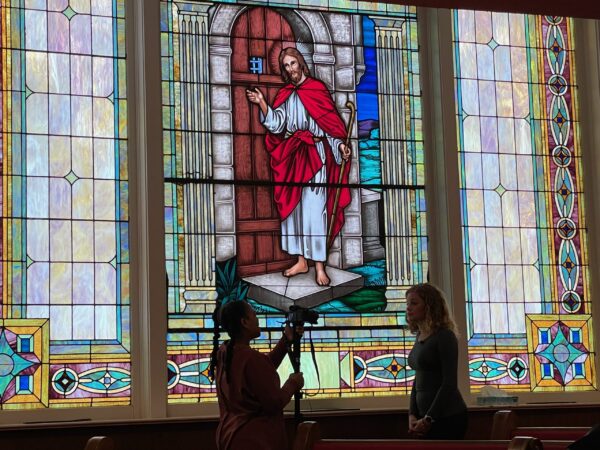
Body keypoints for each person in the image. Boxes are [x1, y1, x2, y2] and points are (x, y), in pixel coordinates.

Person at [246, 47, 352, 286]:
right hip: (293, 156)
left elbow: (330, 127)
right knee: (293, 213)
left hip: (315, 157)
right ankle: (301, 260)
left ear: (301, 63)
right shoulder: (286, 94)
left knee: (315, 213)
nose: (290, 69)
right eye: (286, 66)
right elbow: (276, 124)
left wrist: (340, 147)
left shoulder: (317, 89)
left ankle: (320, 267)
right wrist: (262, 102)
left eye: (293, 63)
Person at [209, 300, 304, 450]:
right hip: (255, 439)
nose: (257, 318)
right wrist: (293, 383)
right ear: (244, 322)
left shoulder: (226, 352)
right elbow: (274, 402)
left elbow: (261, 370)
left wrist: (286, 340)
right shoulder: (249, 358)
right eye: (254, 314)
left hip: (230, 434)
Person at [406, 283, 468, 439]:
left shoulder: (445, 336)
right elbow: (418, 379)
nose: (408, 308)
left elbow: (449, 383)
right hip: (423, 417)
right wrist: (412, 414)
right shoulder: (419, 335)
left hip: (448, 417)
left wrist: (429, 418)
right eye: (407, 304)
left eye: (414, 303)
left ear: (429, 306)